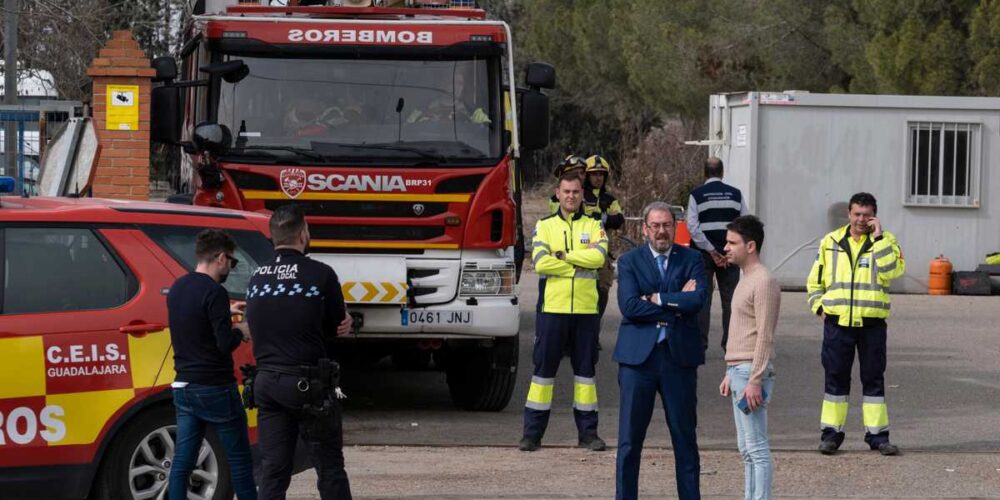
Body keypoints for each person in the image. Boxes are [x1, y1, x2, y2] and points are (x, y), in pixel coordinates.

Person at [246, 205, 355, 499]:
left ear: (273, 238)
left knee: (274, 470)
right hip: (308, 386)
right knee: (329, 467)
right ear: (304, 233)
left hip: (266, 384)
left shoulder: (257, 277)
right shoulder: (321, 274)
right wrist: (344, 322)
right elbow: (336, 326)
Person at [614, 201, 708, 500]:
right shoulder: (630, 261)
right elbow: (628, 305)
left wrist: (654, 298)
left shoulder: (692, 258)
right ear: (645, 228)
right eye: (655, 225)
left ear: (675, 226)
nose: (661, 231)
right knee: (629, 442)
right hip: (637, 361)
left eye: (667, 224)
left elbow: (698, 301)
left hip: (678, 359)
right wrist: (674, 306)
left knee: (684, 439)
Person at [807, 192, 904, 456]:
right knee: (835, 379)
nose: (861, 219)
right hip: (838, 323)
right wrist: (819, 307)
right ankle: (831, 435)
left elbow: (893, 272)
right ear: (849, 214)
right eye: (857, 214)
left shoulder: (886, 241)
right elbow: (815, 282)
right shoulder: (830, 242)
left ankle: (878, 437)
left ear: (874, 216)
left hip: (872, 323)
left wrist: (880, 239)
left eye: (866, 214)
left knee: (873, 379)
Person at [519, 172, 609, 452]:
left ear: (582, 194)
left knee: (585, 374)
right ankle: (532, 435)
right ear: (557, 194)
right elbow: (540, 264)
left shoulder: (594, 225)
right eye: (566, 191)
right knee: (543, 374)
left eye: (576, 192)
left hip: (585, 311)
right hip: (553, 310)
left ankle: (588, 434)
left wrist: (564, 256)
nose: (571, 196)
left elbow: (599, 258)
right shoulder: (544, 226)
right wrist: (577, 263)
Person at [166, 229, 256, 500]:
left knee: (182, 461)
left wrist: (224, 312)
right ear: (220, 257)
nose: (231, 267)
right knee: (239, 459)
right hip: (215, 386)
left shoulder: (177, 287)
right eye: (232, 261)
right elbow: (223, 343)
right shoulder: (215, 291)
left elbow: (194, 319)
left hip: (183, 386)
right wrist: (242, 331)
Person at [718, 215, 780, 500]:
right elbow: (744, 329)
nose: (726, 247)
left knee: (757, 448)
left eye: (733, 242)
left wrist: (754, 378)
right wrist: (731, 371)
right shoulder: (746, 278)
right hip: (740, 371)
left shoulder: (764, 281)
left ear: (751, 245)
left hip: (751, 374)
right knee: (746, 449)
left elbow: (765, 336)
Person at [687, 157, 749, 351]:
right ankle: (731, 345)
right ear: (722, 173)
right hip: (730, 254)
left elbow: (692, 227)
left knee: (702, 298)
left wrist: (711, 250)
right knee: (731, 299)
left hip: (703, 254)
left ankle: (699, 343)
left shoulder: (696, 195)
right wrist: (726, 248)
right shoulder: (735, 194)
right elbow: (744, 224)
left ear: (705, 173)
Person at [583, 154, 625, 317]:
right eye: (594, 174)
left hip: (603, 256)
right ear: (587, 176)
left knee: (602, 293)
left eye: (601, 174)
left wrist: (602, 218)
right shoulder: (578, 196)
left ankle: (594, 336)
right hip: (581, 254)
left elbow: (619, 219)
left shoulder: (609, 199)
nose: (598, 178)